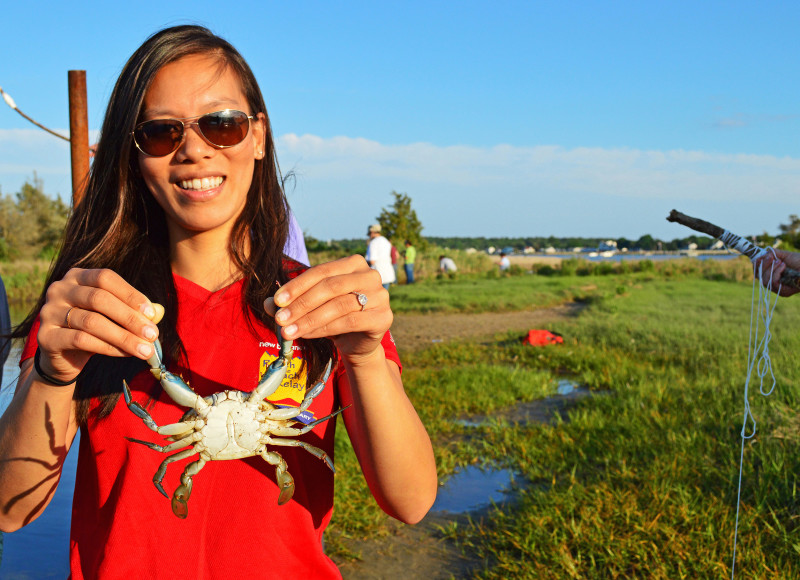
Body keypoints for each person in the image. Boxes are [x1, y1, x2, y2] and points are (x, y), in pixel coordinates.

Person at [0, 26, 436, 579]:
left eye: (221, 123)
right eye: (161, 132)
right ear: (133, 155)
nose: (195, 148)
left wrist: (368, 358)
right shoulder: (93, 307)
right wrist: (51, 372)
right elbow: (10, 511)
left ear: (258, 135)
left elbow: (412, 502)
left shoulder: (317, 305)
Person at [365, 224, 396, 289]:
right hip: (387, 273)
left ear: (372, 232)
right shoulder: (386, 241)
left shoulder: (373, 242)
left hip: (377, 274)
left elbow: (372, 261)